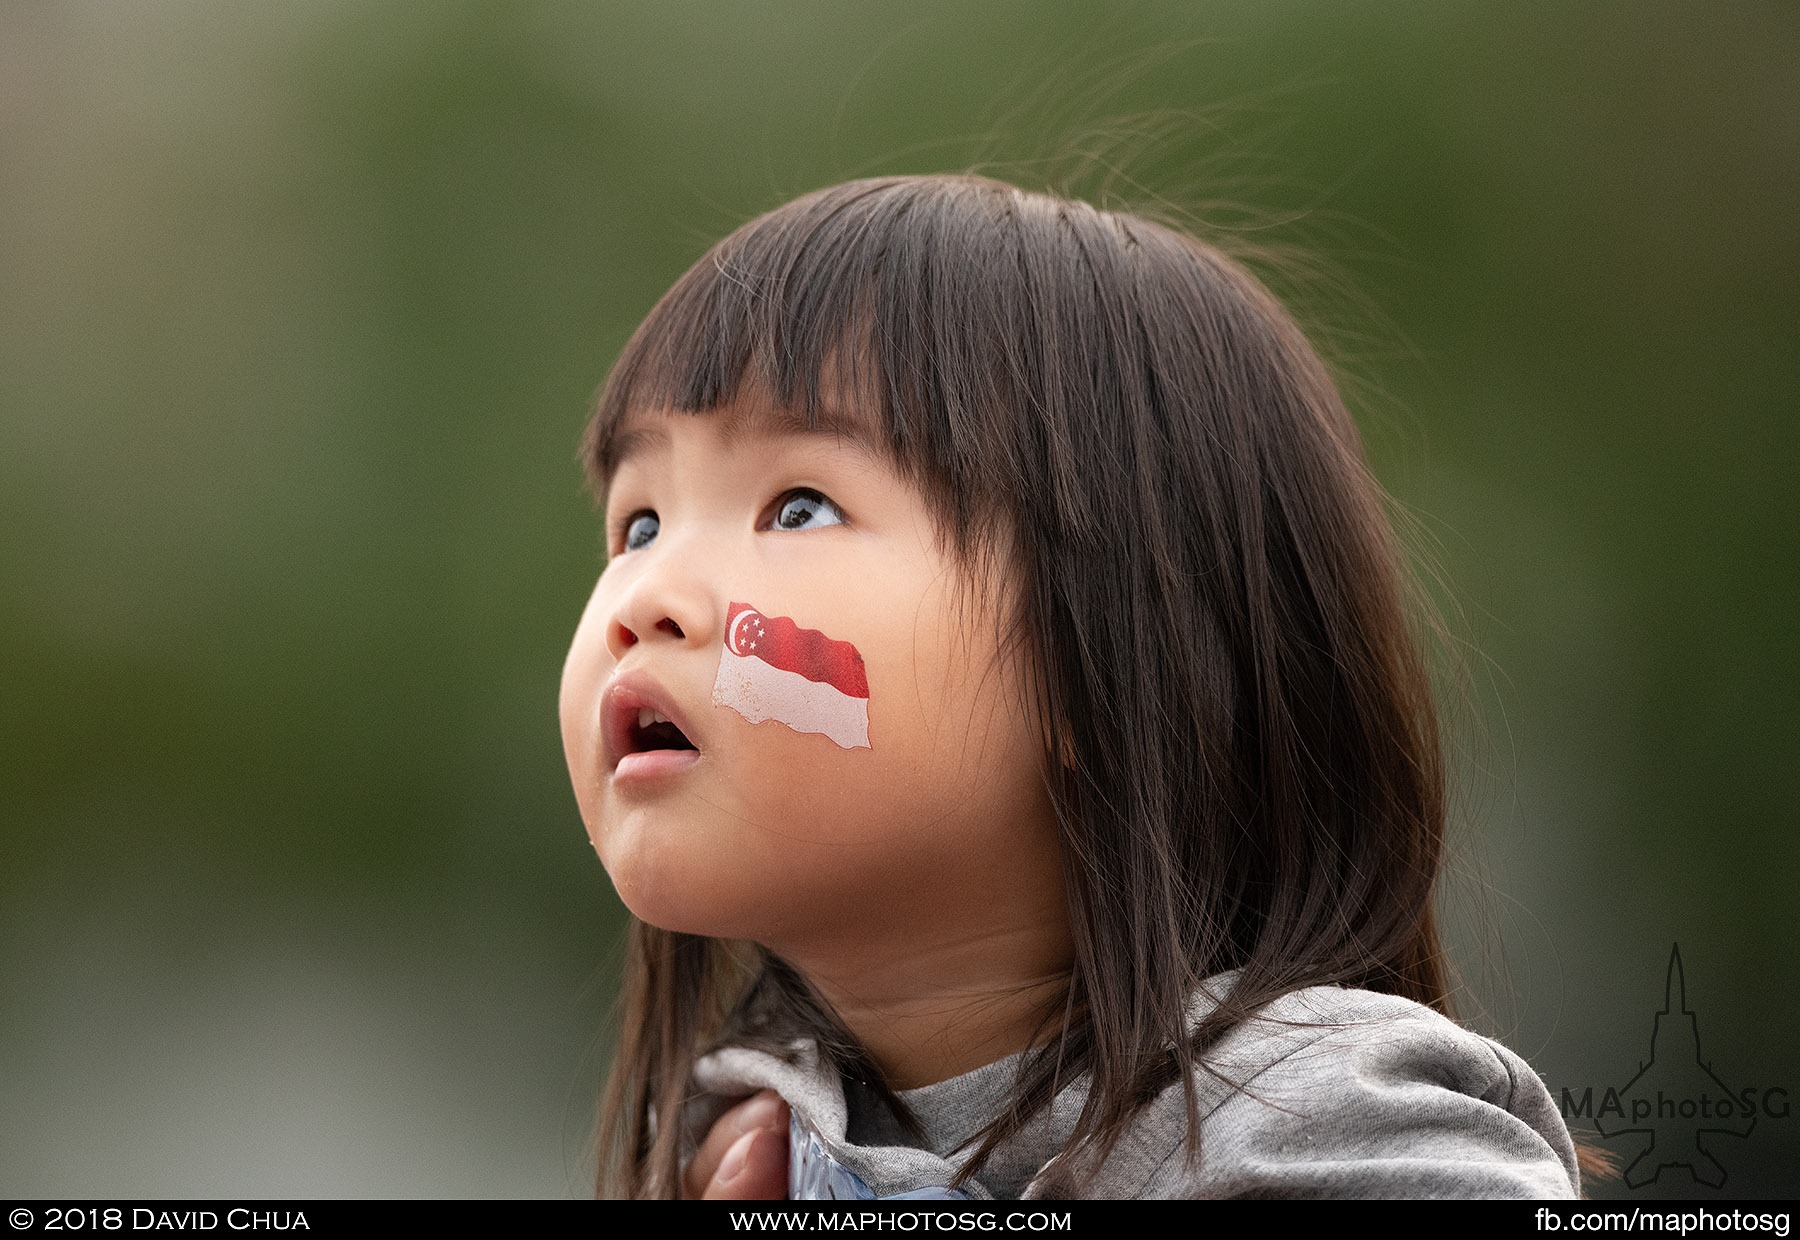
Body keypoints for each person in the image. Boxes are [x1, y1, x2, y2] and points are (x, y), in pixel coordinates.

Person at [557, 174, 1582, 1199]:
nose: (644, 598)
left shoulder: (1331, 1132)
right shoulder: (732, 1152)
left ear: (1115, 659)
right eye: (637, 524)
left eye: (799, 506)